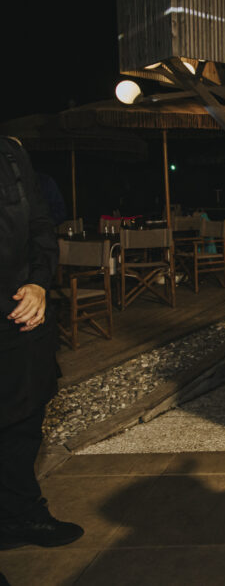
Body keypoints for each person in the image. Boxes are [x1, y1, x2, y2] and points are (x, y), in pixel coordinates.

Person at [0, 136, 83, 549]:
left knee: (24, 423)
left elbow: (40, 227)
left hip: (21, 315)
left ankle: (21, 517)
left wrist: (37, 282)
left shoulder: (12, 154)